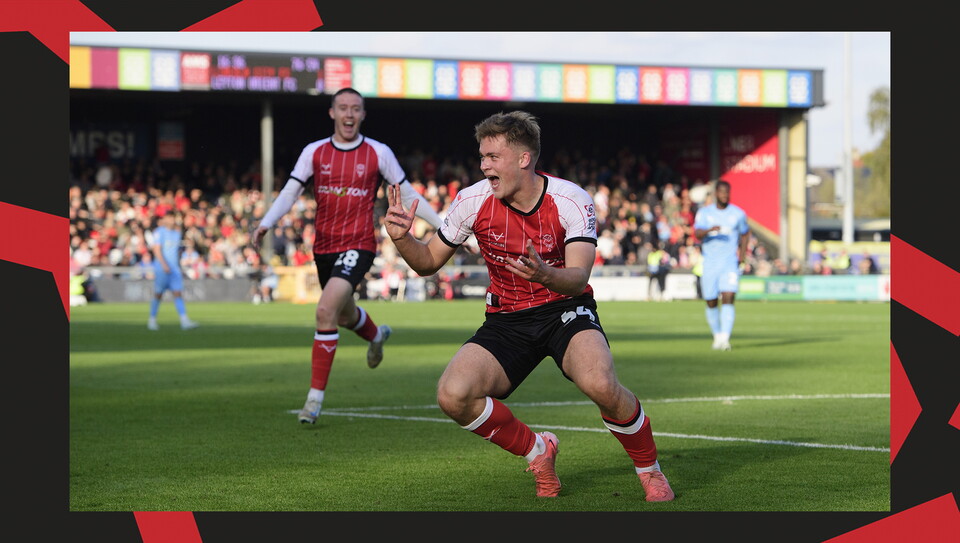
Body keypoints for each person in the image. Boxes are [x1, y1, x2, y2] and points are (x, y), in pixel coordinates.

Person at [383, 111, 674, 501]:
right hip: (507, 318)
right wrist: (402, 239)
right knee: (453, 395)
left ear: (523, 159)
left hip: (564, 309)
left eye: (492, 157)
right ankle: (538, 450)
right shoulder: (471, 201)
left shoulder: (571, 199)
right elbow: (427, 263)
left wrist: (544, 274)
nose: (484, 165)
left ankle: (649, 469)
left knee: (601, 384)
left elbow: (579, 276)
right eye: (482, 156)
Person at [252, 87, 444, 425]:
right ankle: (375, 334)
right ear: (332, 113)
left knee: (325, 310)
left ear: (363, 114)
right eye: (343, 108)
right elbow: (290, 191)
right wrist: (267, 222)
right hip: (324, 247)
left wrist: (444, 226)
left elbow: (408, 192)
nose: (349, 114)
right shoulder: (314, 152)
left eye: (356, 108)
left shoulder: (378, 152)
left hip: (359, 244)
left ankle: (313, 400)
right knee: (342, 315)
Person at [693, 179, 749, 351]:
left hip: (729, 263)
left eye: (727, 192)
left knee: (728, 297)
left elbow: (745, 233)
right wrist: (710, 230)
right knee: (710, 301)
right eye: (722, 192)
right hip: (709, 263)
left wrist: (742, 256)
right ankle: (717, 335)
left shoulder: (738, 214)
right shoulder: (704, 213)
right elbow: (697, 233)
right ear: (716, 194)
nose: (725, 195)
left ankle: (725, 338)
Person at [147, 210, 199, 330]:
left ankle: (184, 320)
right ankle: (152, 319)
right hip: (162, 268)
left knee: (178, 293)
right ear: (164, 219)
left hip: (175, 269)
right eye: (168, 217)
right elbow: (157, 250)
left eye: (172, 217)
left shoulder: (176, 233)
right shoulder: (159, 232)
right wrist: (164, 265)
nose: (171, 220)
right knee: (158, 294)